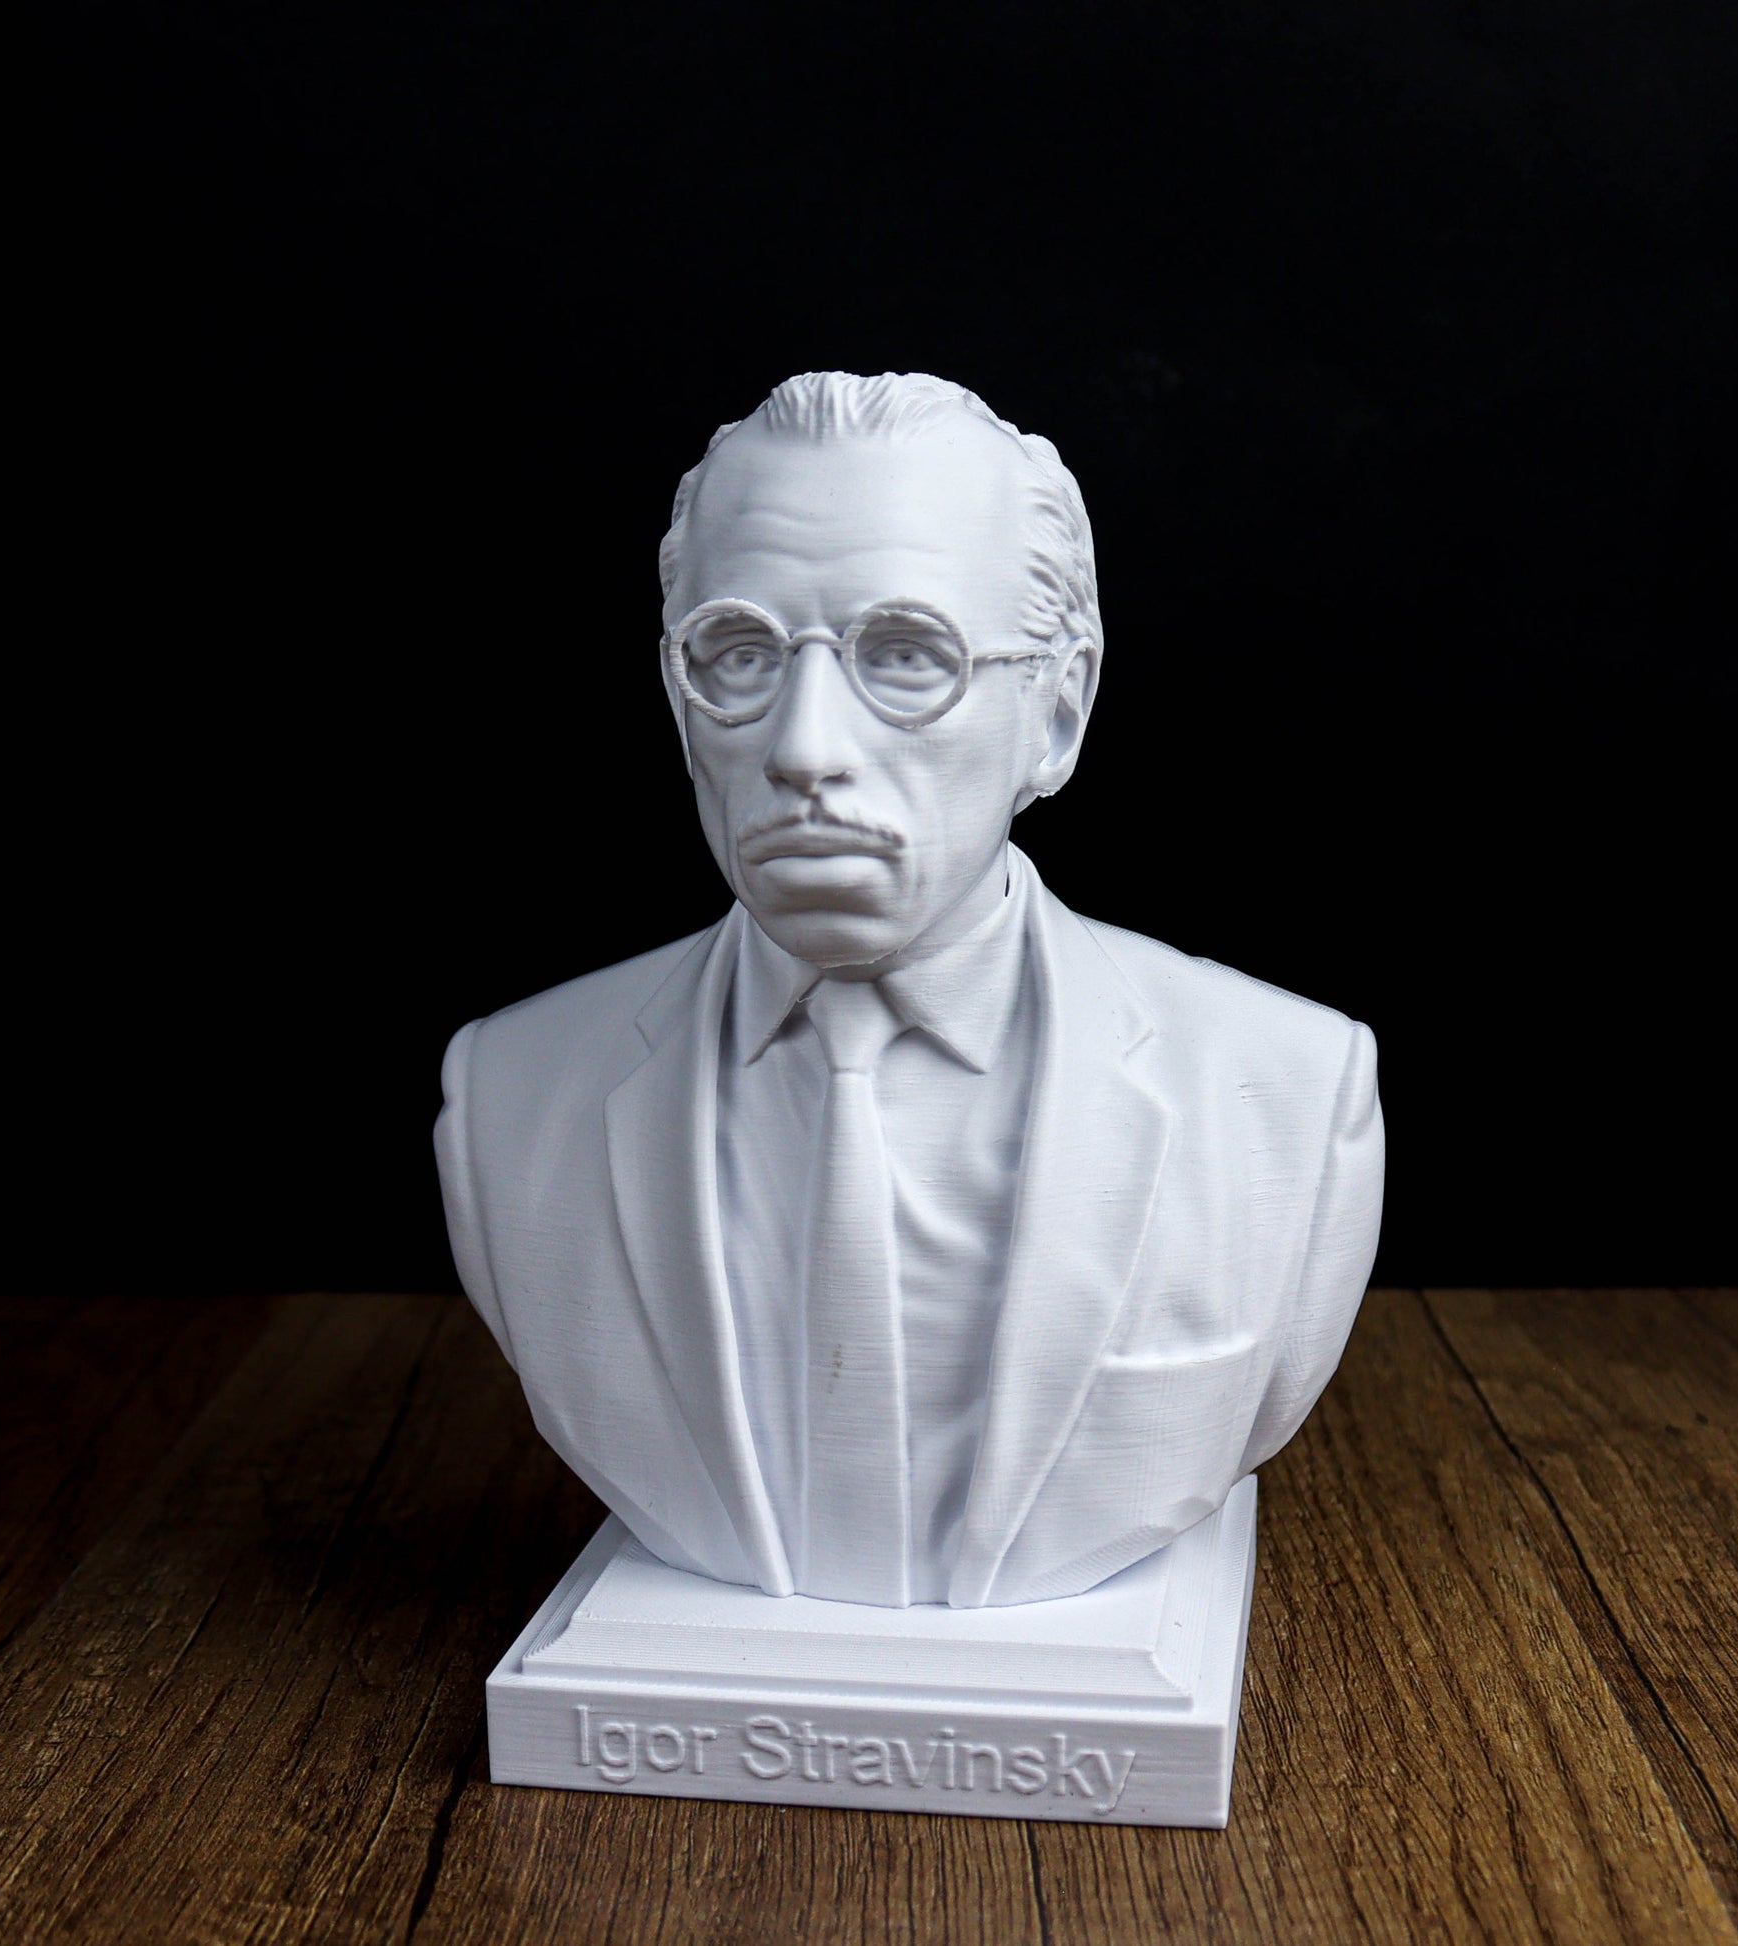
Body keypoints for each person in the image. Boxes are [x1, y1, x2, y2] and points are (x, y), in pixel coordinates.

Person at [436, 372, 1383, 1609]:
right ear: (679, 706)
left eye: (904, 656)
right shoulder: (512, 1098)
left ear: (1056, 707)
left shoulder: (1285, 1099)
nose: (803, 748)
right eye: (738, 655)